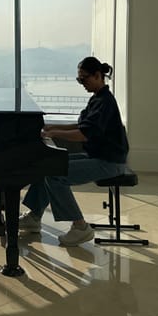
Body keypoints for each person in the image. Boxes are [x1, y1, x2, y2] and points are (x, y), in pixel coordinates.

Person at [19, 56, 129, 246]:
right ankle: (34, 218)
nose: (81, 83)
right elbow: (81, 125)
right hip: (97, 156)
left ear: (97, 75)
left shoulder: (105, 102)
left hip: (110, 162)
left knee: (56, 174)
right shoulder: (98, 99)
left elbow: (84, 134)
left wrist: (55, 132)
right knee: (48, 164)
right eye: (79, 80)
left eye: (83, 79)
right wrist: (48, 126)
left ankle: (80, 227)